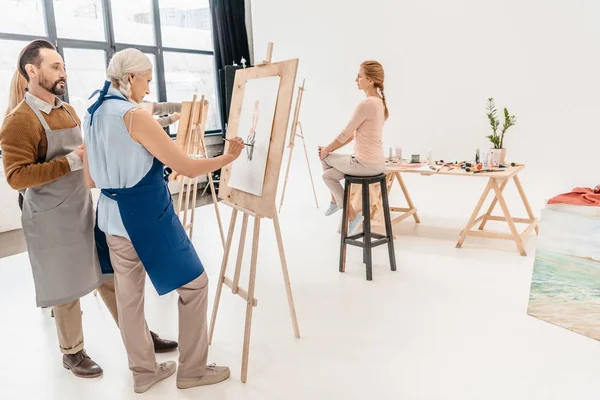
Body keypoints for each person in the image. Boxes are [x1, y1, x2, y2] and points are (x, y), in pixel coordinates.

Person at [0, 39, 178, 379]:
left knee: (109, 278)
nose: (63, 72)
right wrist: (71, 160)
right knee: (66, 289)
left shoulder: (67, 111)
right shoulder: (18, 121)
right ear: (31, 71)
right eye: (55, 67)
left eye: (63, 66)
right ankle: (72, 352)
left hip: (82, 208)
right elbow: (16, 177)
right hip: (50, 218)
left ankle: (140, 338)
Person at [82, 48, 244, 394]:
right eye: (146, 81)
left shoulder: (92, 111)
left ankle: (143, 373)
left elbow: (91, 180)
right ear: (129, 79)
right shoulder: (133, 116)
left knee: (128, 299)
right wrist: (228, 157)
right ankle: (193, 371)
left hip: (110, 218)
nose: (148, 90)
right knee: (196, 285)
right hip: (146, 218)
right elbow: (185, 166)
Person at [318, 60, 389, 234]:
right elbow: (351, 135)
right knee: (328, 176)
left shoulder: (367, 104)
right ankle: (336, 201)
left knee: (324, 156)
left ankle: (346, 211)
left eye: (359, 76)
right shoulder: (379, 103)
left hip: (364, 163)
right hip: (377, 163)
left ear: (370, 80)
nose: (356, 79)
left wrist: (327, 149)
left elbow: (345, 133)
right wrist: (330, 148)